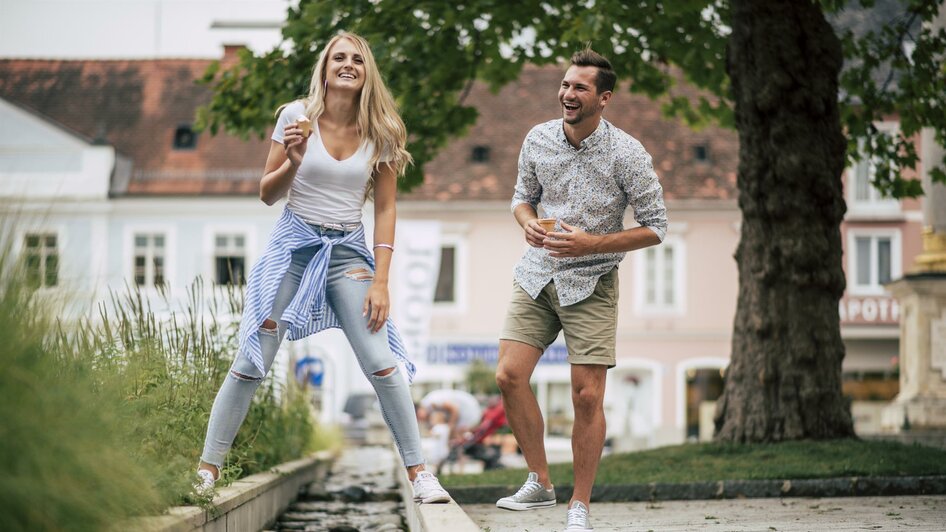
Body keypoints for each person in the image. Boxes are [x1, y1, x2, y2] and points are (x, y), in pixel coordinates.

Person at [194, 32, 450, 504]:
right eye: (339, 58)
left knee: (382, 363)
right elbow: (268, 193)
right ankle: (206, 472)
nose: (348, 64)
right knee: (253, 359)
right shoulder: (296, 117)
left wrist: (381, 280)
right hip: (294, 247)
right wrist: (293, 161)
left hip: (348, 254)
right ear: (325, 68)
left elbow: (386, 209)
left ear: (366, 70)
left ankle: (420, 475)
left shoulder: (384, 131)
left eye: (357, 58)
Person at [494, 48, 667, 531]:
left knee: (586, 396)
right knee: (509, 375)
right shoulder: (538, 138)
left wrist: (592, 243)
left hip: (591, 282)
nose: (568, 94)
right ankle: (539, 482)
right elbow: (520, 199)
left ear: (604, 98)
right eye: (566, 85)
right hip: (537, 273)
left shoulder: (628, 154)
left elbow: (656, 227)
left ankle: (579, 507)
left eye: (580, 88)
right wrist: (527, 223)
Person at [415, 388, 482, 442]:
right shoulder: (429, 409)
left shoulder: (430, 401)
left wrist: (450, 427)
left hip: (469, 409)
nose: (421, 419)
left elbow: (454, 409)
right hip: (468, 415)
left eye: (418, 416)